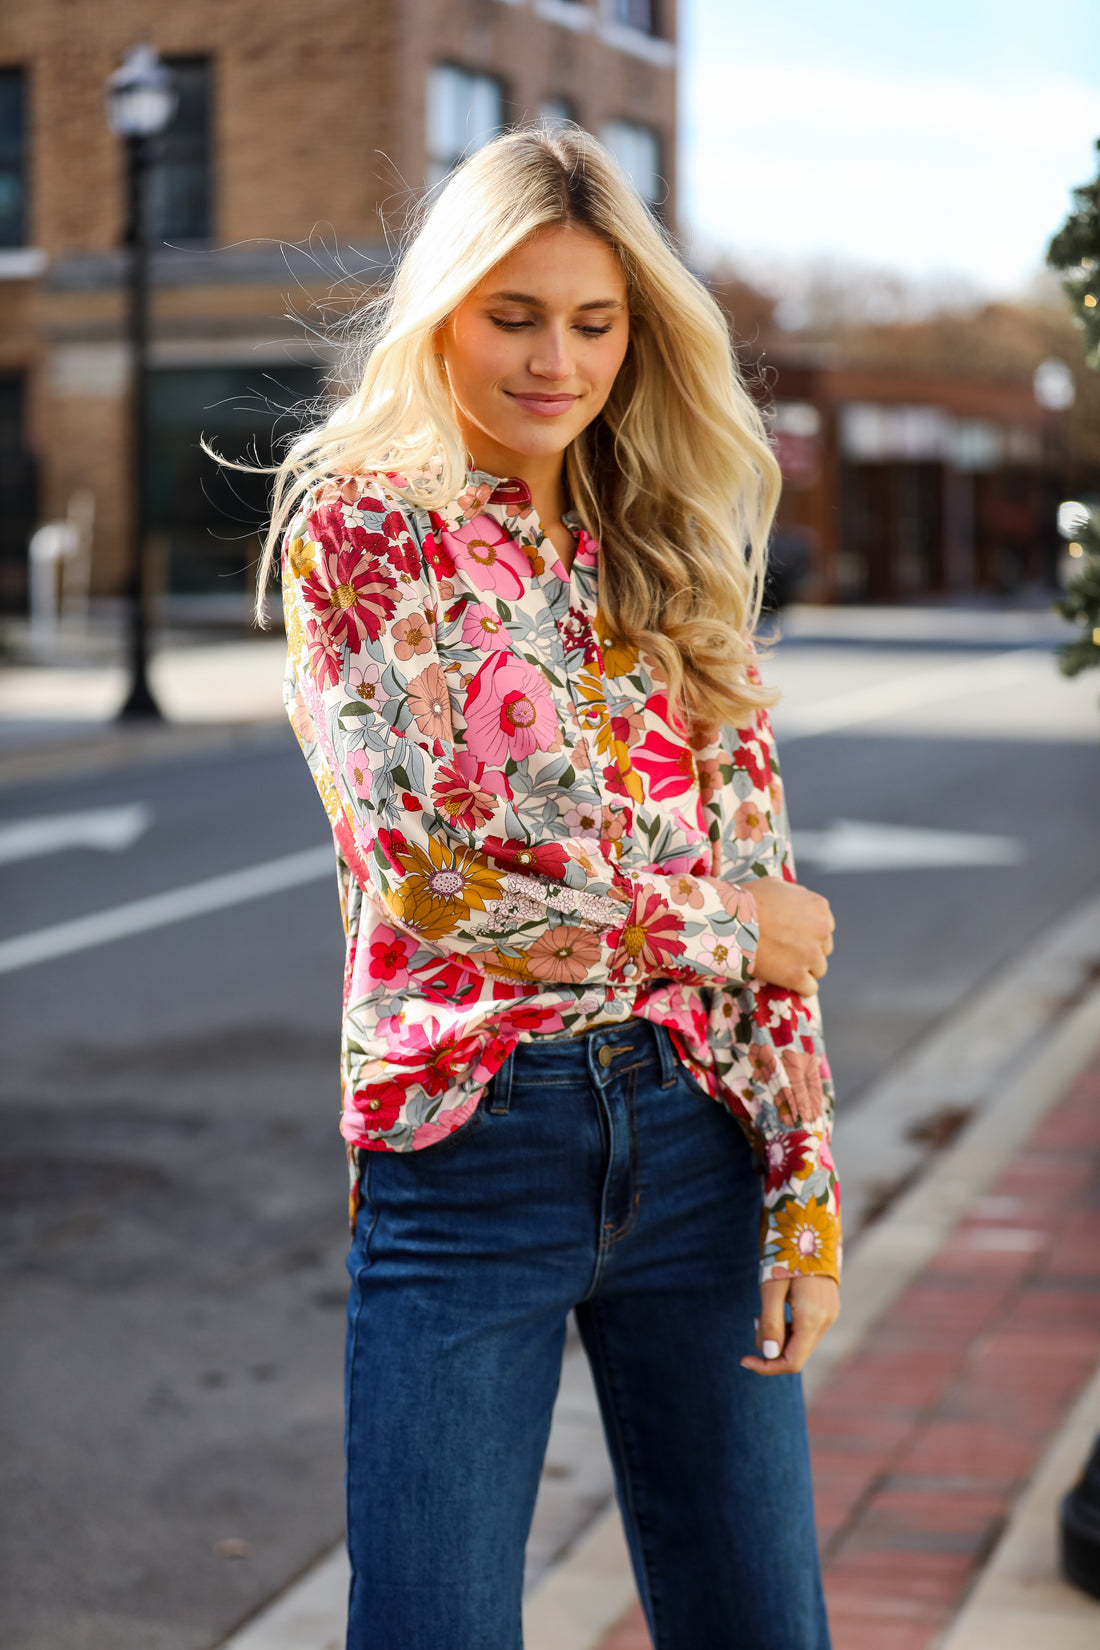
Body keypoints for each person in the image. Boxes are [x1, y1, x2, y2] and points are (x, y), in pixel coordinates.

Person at [262, 127, 839, 1650]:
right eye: (515, 315)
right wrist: (715, 924)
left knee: (764, 1623)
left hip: (701, 1128)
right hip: (470, 1146)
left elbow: (764, 876)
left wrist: (806, 1185)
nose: (554, 361)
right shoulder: (364, 533)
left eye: (594, 322)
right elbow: (437, 879)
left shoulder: (667, 538)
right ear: (446, 308)